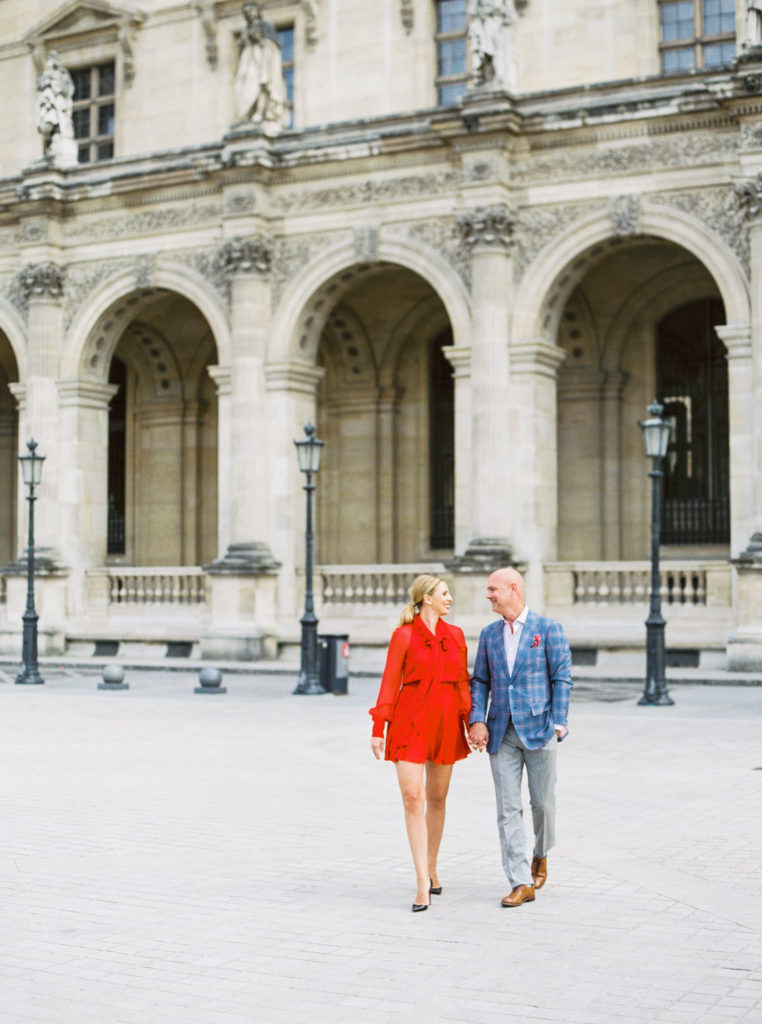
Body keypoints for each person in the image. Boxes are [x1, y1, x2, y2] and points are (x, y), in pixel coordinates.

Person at [468, 567, 572, 908]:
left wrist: (559, 722)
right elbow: (479, 680)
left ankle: (541, 853)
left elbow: (561, 677)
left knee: (543, 804)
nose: (488, 595)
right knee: (508, 809)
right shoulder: (489, 635)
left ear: (514, 589)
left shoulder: (548, 629)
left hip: (540, 729)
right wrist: (476, 719)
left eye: (493, 589)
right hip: (501, 732)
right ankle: (520, 881)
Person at [370, 574, 471, 913]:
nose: (449, 599)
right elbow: (390, 682)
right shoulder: (403, 636)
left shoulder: (456, 635)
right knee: (413, 798)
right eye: (444, 593)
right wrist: (378, 727)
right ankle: (420, 882)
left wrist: (470, 723)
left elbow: (462, 683)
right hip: (410, 721)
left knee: (437, 799)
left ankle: (431, 867)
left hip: (445, 722)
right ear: (426, 598)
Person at [234, 2, 289, 129]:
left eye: (251, 10)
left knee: (263, 84)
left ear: (257, 11)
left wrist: (258, 39)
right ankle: (246, 114)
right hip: (249, 62)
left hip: (262, 61)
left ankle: (260, 112)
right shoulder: (245, 30)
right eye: (246, 12)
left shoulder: (266, 26)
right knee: (247, 86)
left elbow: (271, 46)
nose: (249, 14)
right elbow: (241, 45)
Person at [35, 51, 75, 159]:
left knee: (57, 127)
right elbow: (40, 87)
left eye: (51, 59)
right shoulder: (45, 75)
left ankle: (53, 148)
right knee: (46, 128)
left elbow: (68, 89)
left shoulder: (62, 75)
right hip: (48, 105)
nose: (49, 62)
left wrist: (57, 86)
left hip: (58, 105)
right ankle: (47, 150)